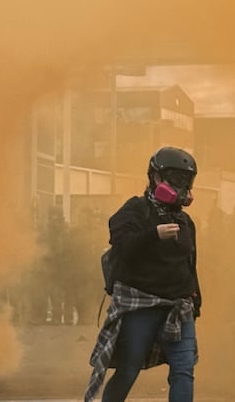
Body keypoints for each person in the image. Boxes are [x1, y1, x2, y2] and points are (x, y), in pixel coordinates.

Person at [85, 147, 200, 402]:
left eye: (187, 181)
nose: (183, 187)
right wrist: (153, 235)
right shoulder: (135, 210)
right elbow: (123, 246)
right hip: (141, 306)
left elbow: (189, 263)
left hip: (179, 307)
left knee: (183, 370)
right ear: (156, 178)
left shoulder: (185, 221)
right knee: (128, 369)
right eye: (177, 178)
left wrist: (195, 300)